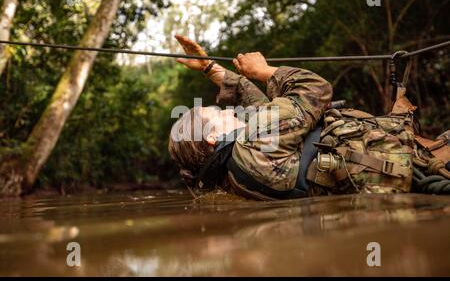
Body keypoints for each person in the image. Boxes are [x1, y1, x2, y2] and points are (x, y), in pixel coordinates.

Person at [168, 35, 450, 200]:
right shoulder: (253, 141)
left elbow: (262, 109)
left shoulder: (233, 173)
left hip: (396, 171)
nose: (228, 110)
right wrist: (264, 71)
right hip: (409, 163)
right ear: (212, 137)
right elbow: (316, 89)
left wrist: (210, 68)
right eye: (217, 113)